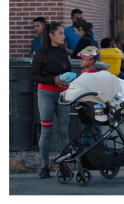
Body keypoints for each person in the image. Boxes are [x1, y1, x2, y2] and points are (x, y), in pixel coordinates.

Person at [30, 21, 72, 178]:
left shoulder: (63, 50)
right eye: (60, 33)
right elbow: (33, 75)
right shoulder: (41, 52)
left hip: (64, 95)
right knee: (46, 131)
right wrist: (53, 80)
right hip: (46, 94)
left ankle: (64, 166)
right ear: (51, 35)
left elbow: (67, 70)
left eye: (63, 33)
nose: (64, 35)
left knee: (63, 131)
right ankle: (45, 167)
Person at [77, 46, 106, 148]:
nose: (80, 60)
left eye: (83, 59)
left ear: (92, 61)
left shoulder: (95, 75)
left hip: (95, 106)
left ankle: (103, 148)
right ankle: (86, 147)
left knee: (95, 128)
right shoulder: (83, 72)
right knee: (86, 127)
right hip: (86, 105)